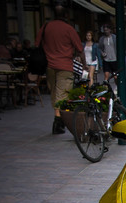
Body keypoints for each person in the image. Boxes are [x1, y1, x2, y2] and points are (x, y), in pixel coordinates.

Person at [35, 3, 84, 134]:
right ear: (66, 15)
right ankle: (58, 122)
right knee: (62, 94)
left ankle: (58, 119)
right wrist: (84, 65)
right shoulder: (69, 29)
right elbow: (80, 49)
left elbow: (36, 44)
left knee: (54, 92)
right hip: (65, 66)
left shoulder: (45, 27)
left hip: (50, 66)